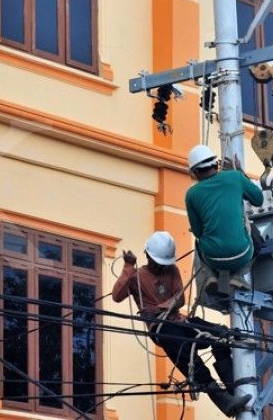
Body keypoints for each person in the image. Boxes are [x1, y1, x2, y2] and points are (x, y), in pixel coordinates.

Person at [112, 231, 251, 417]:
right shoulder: (137, 277)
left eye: (164, 263)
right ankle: (224, 401)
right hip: (162, 328)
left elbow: (180, 298)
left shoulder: (172, 270)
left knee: (220, 334)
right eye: (158, 262)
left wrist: (164, 305)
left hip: (182, 321)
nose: (161, 267)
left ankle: (235, 391)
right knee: (190, 359)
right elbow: (116, 296)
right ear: (147, 256)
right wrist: (128, 267)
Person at [185, 145, 265, 289]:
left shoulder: (191, 194)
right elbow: (258, 199)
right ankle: (238, 276)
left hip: (212, 259)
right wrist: (240, 173)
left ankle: (210, 276)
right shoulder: (235, 177)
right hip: (242, 254)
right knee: (256, 235)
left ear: (195, 171)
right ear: (216, 164)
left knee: (199, 240)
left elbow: (198, 232)